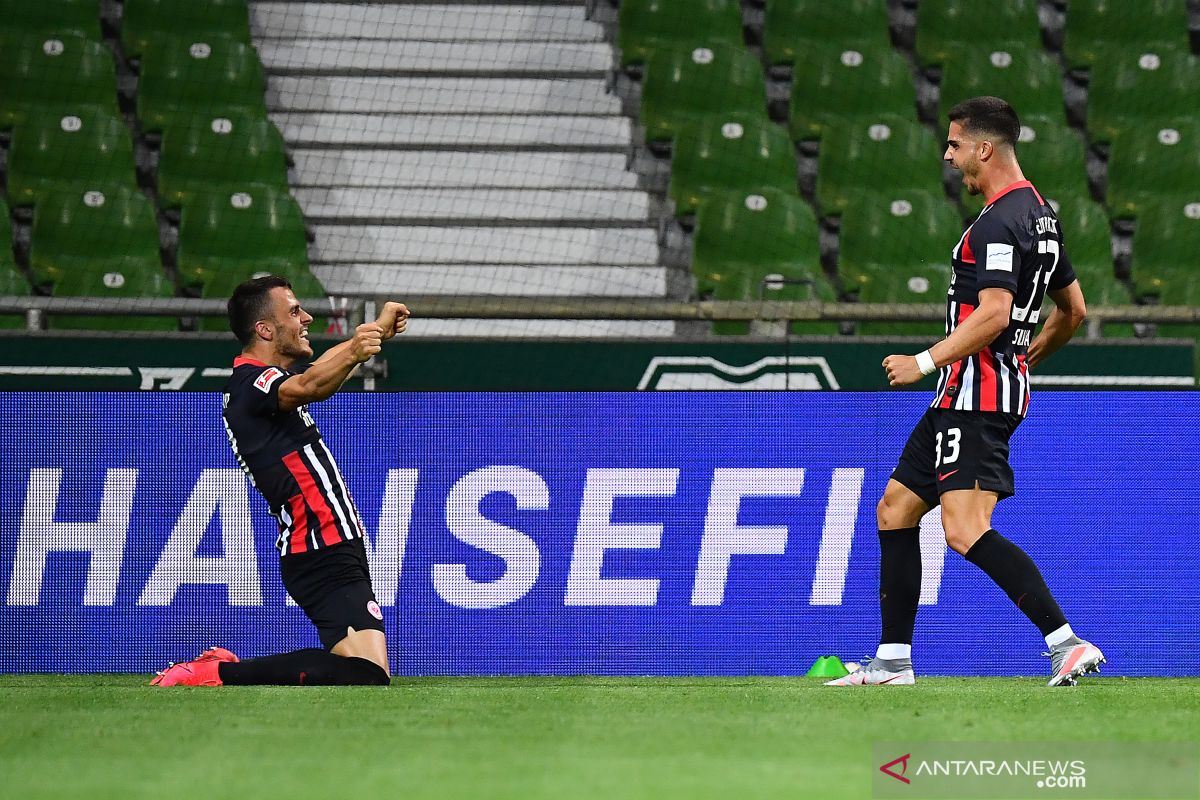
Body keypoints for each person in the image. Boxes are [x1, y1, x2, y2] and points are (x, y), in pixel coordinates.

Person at [826, 97, 1104, 687]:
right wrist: (1024, 361)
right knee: (895, 509)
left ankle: (1067, 641)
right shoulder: (1041, 215)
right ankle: (893, 661)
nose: (948, 156)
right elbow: (1073, 310)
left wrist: (924, 360)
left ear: (984, 147)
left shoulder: (1000, 221)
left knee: (964, 529)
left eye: (955, 144)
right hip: (966, 393)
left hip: (973, 399)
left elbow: (996, 313)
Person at [151, 275, 409, 686]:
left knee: (362, 669)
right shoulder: (250, 384)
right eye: (293, 311)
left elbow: (317, 373)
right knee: (368, 674)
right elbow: (312, 383)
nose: (306, 317)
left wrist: (374, 333)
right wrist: (358, 350)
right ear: (264, 329)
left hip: (329, 541)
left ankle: (221, 667)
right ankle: (216, 672)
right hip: (320, 543)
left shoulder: (264, 383)